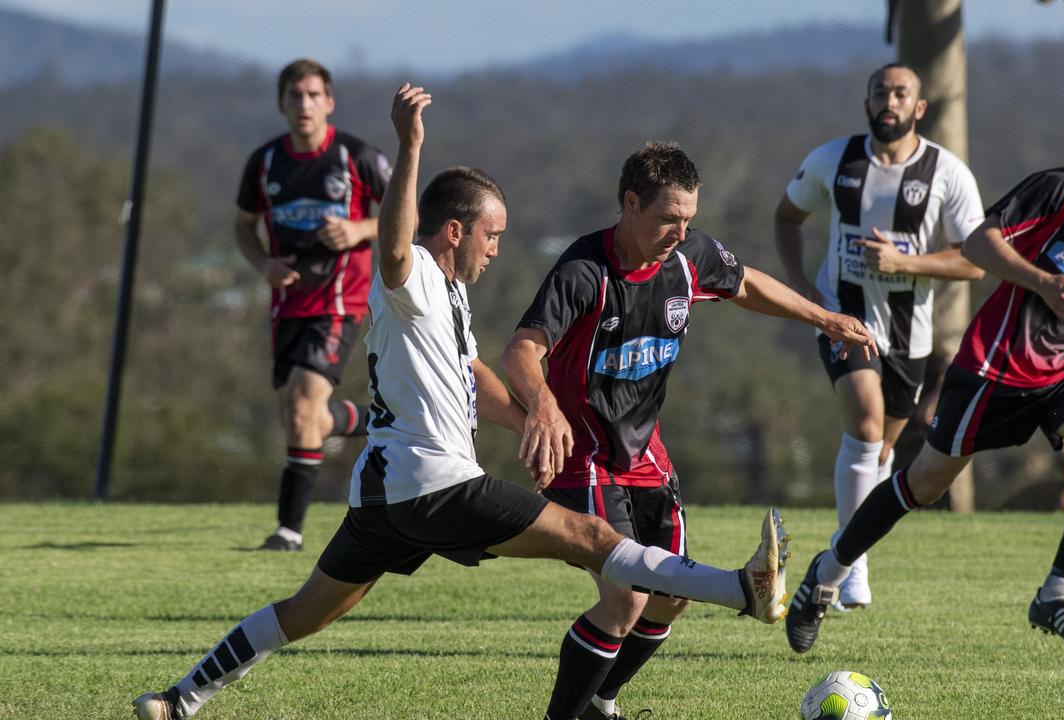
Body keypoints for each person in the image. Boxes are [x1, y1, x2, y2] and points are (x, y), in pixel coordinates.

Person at [132, 86, 790, 720]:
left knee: (304, 612)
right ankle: (742, 588)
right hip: (434, 485)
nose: (498, 250)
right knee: (596, 538)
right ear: (453, 231)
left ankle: (178, 698)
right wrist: (409, 145)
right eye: (492, 235)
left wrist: (534, 416)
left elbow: (468, 374)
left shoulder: (448, 294)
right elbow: (391, 248)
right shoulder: (416, 272)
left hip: (384, 497)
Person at [786, 84, 1064, 653]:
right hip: (995, 367)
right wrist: (1043, 280)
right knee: (923, 482)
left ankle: (1055, 596)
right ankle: (827, 575)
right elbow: (976, 243)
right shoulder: (1061, 191)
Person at [502, 142, 876, 720]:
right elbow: (523, 348)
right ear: (630, 203)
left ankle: (601, 701)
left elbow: (744, 283)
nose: (680, 231)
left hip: (645, 455)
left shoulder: (686, 257)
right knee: (625, 599)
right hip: (587, 457)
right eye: (667, 218)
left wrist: (823, 318)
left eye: (688, 220)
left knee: (669, 601)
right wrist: (544, 403)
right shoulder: (584, 272)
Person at [774, 63, 985, 610]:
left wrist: (904, 261)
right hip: (844, 316)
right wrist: (803, 290)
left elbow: (975, 261)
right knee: (866, 428)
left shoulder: (946, 172)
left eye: (901, 94)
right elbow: (786, 217)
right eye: (880, 93)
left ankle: (846, 554)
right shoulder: (834, 160)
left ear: (919, 108)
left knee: (882, 450)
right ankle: (851, 568)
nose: (889, 101)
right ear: (867, 103)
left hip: (908, 334)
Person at [234, 59, 390, 551]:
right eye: (295, 96)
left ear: (329, 101)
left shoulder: (356, 157)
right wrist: (264, 265)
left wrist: (361, 229)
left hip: (340, 301)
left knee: (302, 405)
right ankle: (382, 418)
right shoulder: (264, 163)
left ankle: (288, 532)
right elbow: (243, 225)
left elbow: (410, 215)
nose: (304, 104)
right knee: (302, 417)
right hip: (287, 305)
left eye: (312, 94)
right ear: (282, 104)